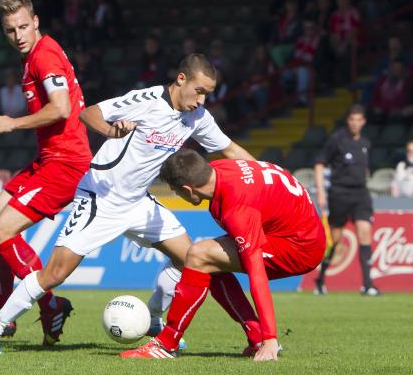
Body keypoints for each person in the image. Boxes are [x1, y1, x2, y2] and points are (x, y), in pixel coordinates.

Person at [0, 53, 255, 354]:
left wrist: (272, 175)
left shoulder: (197, 118)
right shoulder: (147, 99)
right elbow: (88, 113)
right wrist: (112, 130)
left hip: (139, 203)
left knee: (190, 258)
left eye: (208, 94)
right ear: (181, 79)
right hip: (101, 198)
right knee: (55, 273)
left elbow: (229, 148)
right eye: (199, 91)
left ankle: (152, 319)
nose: (202, 100)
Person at [0, 0, 93, 345]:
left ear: (35, 22)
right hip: (48, 159)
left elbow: (61, 108)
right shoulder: (35, 54)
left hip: (66, 164)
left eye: (22, 27)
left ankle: (48, 305)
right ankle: (2, 310)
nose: (17, 35)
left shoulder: (44, 56)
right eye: (9, 30)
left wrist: (12, 123)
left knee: (2, 230)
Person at [121, 149, 325, 360]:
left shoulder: (238, 208)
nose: (176, 195)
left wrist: (271, 338)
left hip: (299, 248)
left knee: (200, 255)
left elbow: (258, 276)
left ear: (188, 190)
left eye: (175, 191)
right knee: (207, 260)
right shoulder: (219, 170)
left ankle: (165, 344)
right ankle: (255, 337)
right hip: (293, 230)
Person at [314, 104, 380, 296]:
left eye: (359, 120)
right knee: (335, 240)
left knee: (365, 233)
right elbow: (320, 163)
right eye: (352, 119)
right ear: (348, 120)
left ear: (364, 122)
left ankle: (367, 284)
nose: (355, 123)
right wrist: (320, 193)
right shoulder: (337, 140)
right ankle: (321, 279)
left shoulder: (366, 143)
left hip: (361, 194)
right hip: (339, 193)